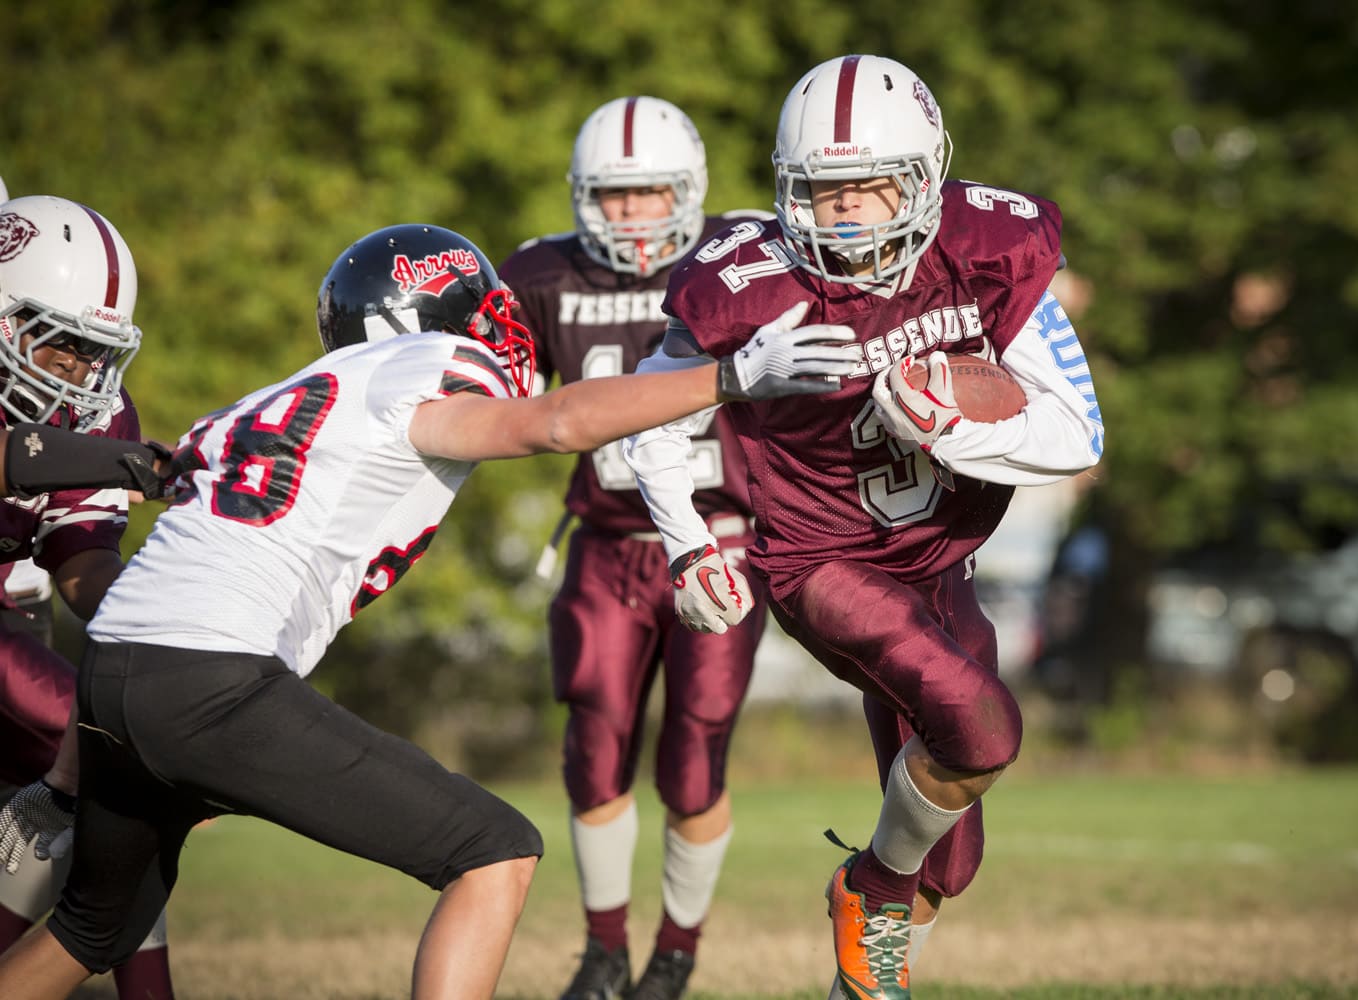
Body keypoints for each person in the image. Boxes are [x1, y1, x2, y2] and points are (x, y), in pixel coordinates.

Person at [0, 221, 859, 1000]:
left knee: (89, 929)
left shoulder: (274, 400)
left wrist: (66, 781)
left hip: (115, 675)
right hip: (209, 676)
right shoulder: (428, 370)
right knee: (494, 852)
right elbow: (557, 425)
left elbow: (142, 602)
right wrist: (731, 377)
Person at [623, 55, 1105, 1000]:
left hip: (942, 561)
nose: (845, 215)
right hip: (819, 562)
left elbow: (1075, 430)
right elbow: (647, 409)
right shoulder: (747, 283)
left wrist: (959, 425)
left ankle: (863, 977)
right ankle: (869, 887)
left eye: (870, 188)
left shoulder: (990, 247)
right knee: (983, 730)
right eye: (821, 191)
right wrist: (686, 537)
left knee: (951, 858)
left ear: (926, 177)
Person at [499, 95, 768, 1000]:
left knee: (695, 758)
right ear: (584, 196)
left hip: (722, 539)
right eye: (616, 196)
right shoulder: (538, 274)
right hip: (608, 544)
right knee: (595, 744)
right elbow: (476, 386)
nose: (635, 214)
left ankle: (677, 955)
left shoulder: (743, 254)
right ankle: (605, 949)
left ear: (688, 190)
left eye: (653, 192)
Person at [0, 192, 177, 1000]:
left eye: (94, 349)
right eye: (62, 342)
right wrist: (130, 465)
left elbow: (79, 555)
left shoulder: (93, 413)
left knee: (129, 788)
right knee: (103, 732)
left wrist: (155, 634)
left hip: (11, 614)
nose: (79, 369)